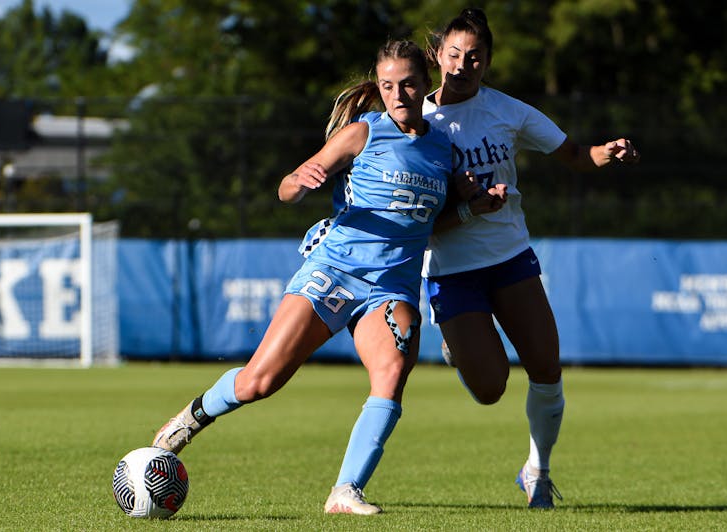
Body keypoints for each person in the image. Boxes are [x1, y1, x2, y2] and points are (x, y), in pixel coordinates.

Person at [151, 39, 456, 516]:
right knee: (260, 381)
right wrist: (301, 181)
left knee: (392, 374)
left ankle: (345, 491)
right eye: (388, 85)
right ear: (378, 87)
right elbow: (286, 187)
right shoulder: (363, 134)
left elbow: (436, 221)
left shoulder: (443, 150)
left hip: (391, 287)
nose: (398, 94)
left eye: (409, 84)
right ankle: (189, 419)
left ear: (426, 83)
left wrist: (477, 204)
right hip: (335, 272)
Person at [422, 8, 641, 509]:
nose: (462, 64)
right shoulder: (413, 121)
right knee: (490, 389)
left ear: (488, 62)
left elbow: (575, 154)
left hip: (509, 257)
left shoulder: (508, 111)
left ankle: (537, 472)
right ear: (437, 55)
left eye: (474, 56)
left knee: (546, 368)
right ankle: (460, 344)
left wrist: (609, 151)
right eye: (453, 53)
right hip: (451, 270)